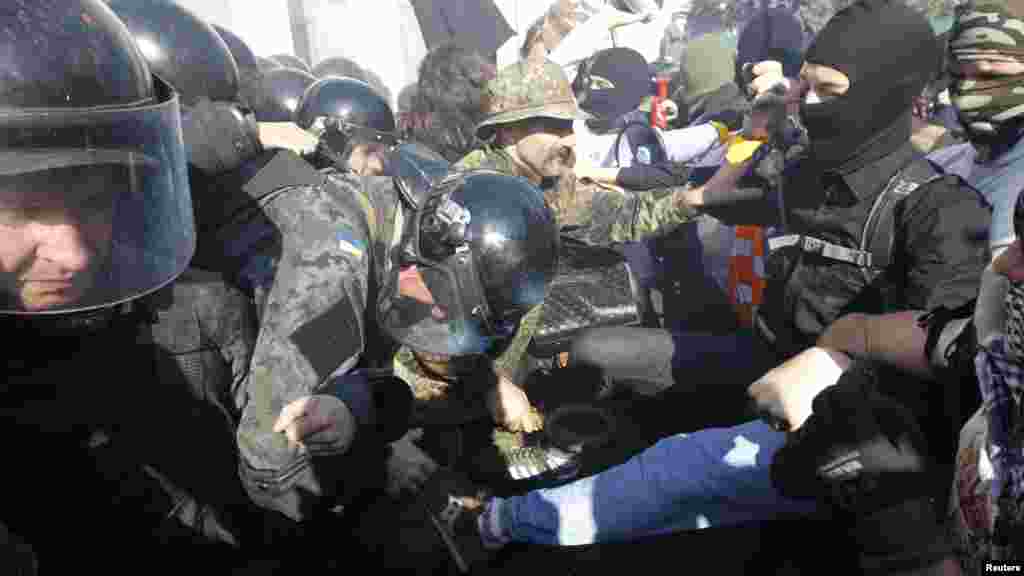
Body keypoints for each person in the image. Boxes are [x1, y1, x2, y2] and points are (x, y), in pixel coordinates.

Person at [422, 1, 992, 570]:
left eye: (830, 91)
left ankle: (490, 524)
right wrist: (743, 149)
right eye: (805, 88)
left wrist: (840, 361)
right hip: (762, 360)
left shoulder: (936, 211)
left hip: (850, 424)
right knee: (604, 357)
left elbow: (951, 357)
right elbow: (701, 193)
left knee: (674, 468)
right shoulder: (807, 178)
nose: (811, 105)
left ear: (886, 93)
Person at [296, 75, 398, 176]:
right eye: (368, 152)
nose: (378, 165)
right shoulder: (298, 190)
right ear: (331, 146)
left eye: (384, 155)